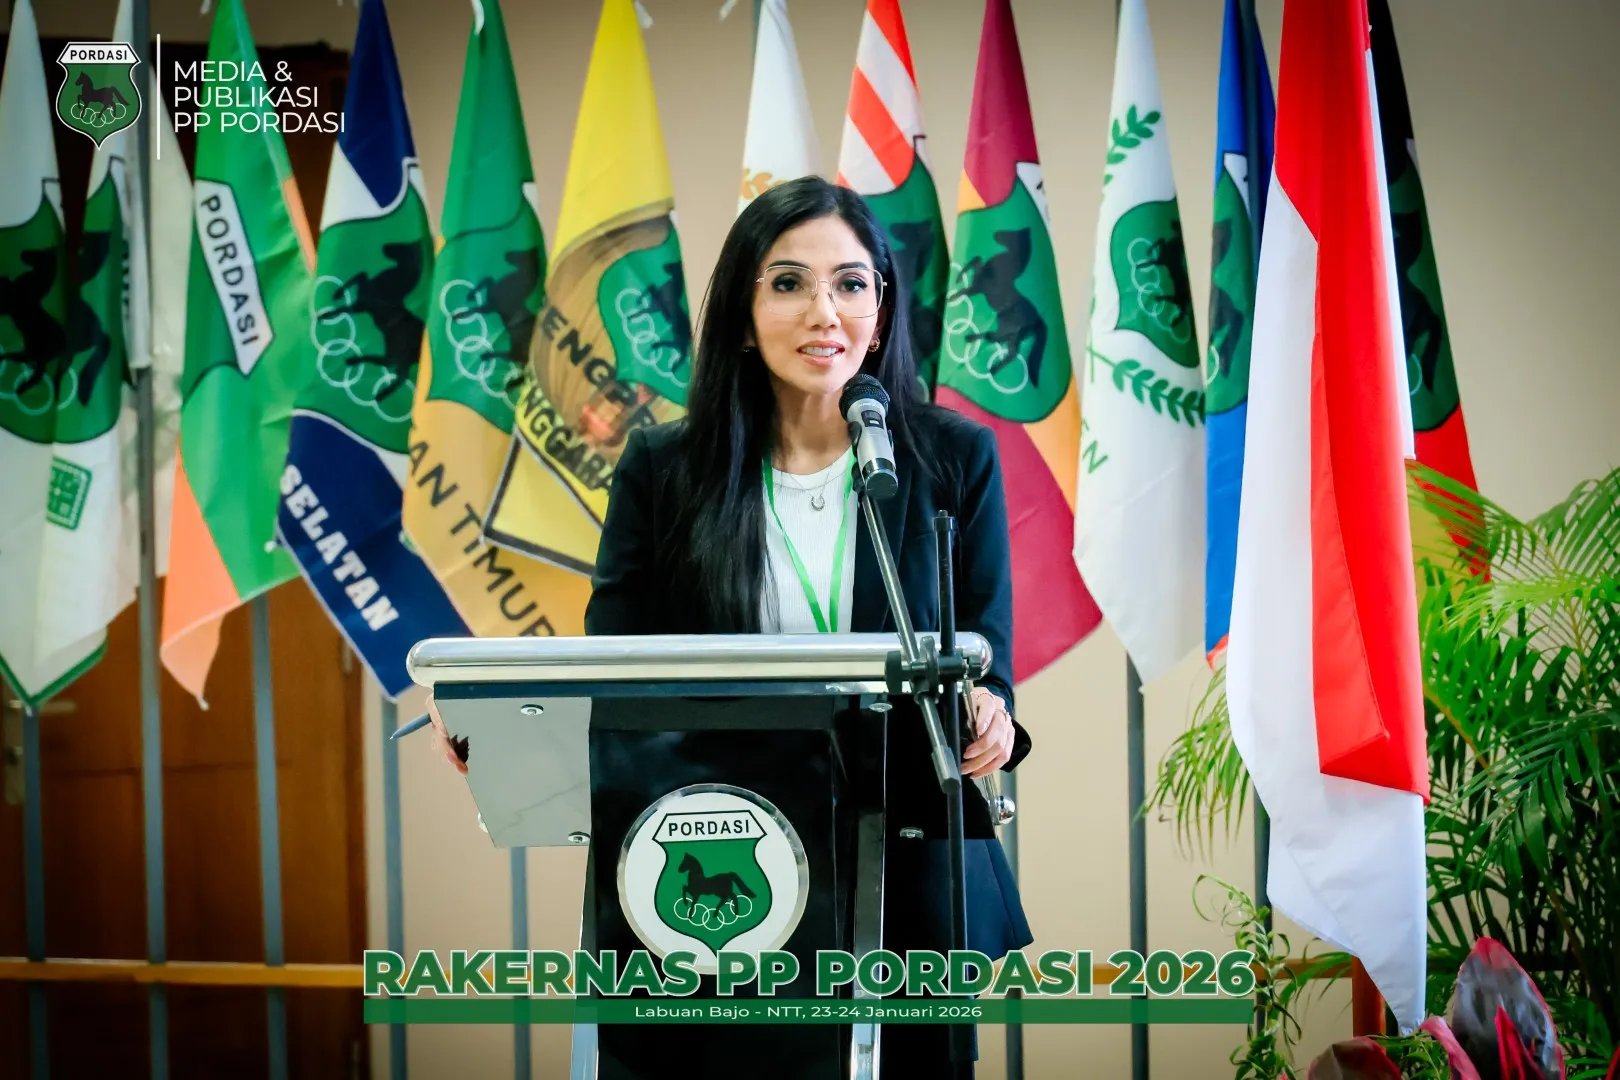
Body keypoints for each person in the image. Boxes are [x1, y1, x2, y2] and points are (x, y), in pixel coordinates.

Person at [431, 175, 1032, 1071]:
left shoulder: (951, 457)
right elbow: (615, 669)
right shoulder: (665, 469)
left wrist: (991, 711)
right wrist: (501, 722)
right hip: (719, 860)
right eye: (788, 283)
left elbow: (983, 647)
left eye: (851, 284)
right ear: (743, 317)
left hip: (904, 882)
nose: (824, 311)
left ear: (880, 312)